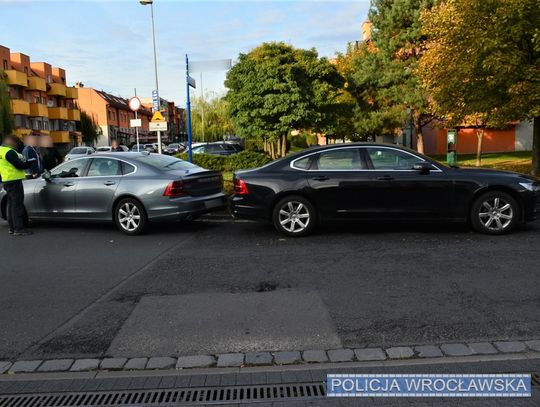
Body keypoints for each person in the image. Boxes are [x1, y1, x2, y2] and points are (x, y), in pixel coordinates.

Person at [0, 135, 33, 236]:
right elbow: (18, 165)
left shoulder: (1, 150)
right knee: (17, 205)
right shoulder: (9, 152)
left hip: (7, 180)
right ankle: (19, 228)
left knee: (11, 206)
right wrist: (28, 164)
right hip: (14, 181)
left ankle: (12, 228)